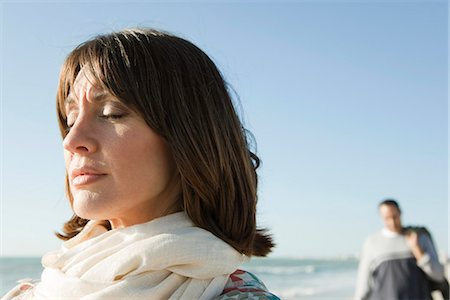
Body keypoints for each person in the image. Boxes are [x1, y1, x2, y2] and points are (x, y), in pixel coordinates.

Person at [2, 28, 280, 300]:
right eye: (71, 119)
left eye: (111, 113)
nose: (71, 140)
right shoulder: (41, 290)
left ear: (189, 137)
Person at [355, 199, 446, 300]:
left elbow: (438, 275)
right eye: (387, 218)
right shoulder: (372, 243)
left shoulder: (420, 237)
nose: (392, 222)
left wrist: (418, 251)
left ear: (400, 213)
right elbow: (363, 284)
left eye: (395, 217)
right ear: (381, 218)